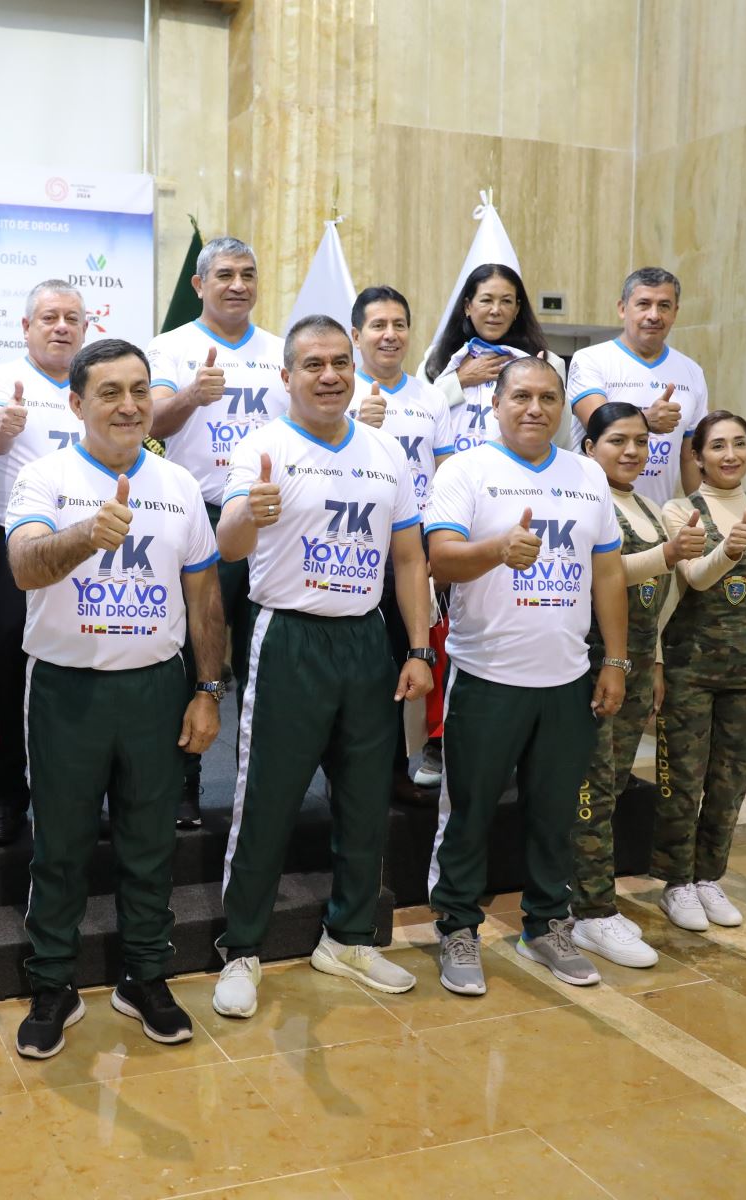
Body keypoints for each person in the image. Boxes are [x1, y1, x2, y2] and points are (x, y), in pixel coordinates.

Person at [5, 339, 227, 1057]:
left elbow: (204, 600)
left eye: (139, 389)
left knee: (149, 841)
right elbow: (24, 568)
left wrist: (207, 691)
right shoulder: (43, 478)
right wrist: (84, 535)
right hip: (67, 687)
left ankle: (146, 975)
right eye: (110, 392)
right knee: (62, 845)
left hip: (156, 688)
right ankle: (51, 984)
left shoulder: (178, 485)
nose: (129, 405)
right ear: (76, 403)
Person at [211, 315, 430, 1018]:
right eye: (313, 364)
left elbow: (407, 558)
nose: (330, 374)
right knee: (267, 802)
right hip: (288, 638)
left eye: (340, 361)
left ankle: (348, 936)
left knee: (366, 801)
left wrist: (420, 649)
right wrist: (253, 510)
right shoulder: (263, 445)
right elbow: (227, 542)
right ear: (286, 377)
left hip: (366, 640)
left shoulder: (385, 451)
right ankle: (241, 948)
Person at [424, 356, 628, 995]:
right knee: (470, 813)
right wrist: (495, 551)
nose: (534, 408)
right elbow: (440, 560)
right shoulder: (466, 470)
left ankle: (546, 925)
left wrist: (615, 661)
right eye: (520, 397)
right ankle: (457, 926)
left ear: (564, 407)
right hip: (487, 678)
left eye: (547, 397)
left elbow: (608, 572)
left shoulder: (586, 475)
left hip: (567, 680)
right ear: (496, 403)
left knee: (554, 814)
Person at [147, 236, 288, 828]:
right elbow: (148, 420)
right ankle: (183, 783)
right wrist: (190, 396)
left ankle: (259, 782)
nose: (238, 284)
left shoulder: (283, 350)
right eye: (225, 274)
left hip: (270, 520)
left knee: (267, 651)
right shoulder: (169, 348)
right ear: (200, 285)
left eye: (248, 274)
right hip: (194, 514)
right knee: (191, 651)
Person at [568, 402, 706, 968]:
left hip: (634, 666)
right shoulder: (583, 500)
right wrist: (666, 555)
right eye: (616, 440)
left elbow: (658, 593)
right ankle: (590, 912)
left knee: (617, 783)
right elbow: (600, 574)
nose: (631, 452)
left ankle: (591, 902)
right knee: (591, 788)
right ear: (588, 448)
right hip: (595, 662)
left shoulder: (648, 506)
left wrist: (651, 664)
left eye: (641, 443)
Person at [653, 411, 746, 931]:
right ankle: (676, 883)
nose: (730, 454)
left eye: (740, 443)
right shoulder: (678, 510)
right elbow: (692, 578)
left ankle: (709, 877)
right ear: (697, 456)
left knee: (730, 781)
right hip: (690, 666)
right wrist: (727, 549)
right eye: (717, 446)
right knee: (683, 779)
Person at [0, 281, 89, 845]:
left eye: (71, 317)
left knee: (86, 668)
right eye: (48, 317)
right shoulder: (2, 379)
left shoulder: (95, 381)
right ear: (26, 327)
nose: (61, 326)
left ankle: (80, 796)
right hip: (11, 550)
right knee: (10, 674)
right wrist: (4, 425)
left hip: (87, 551)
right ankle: (9, 799)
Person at [350, 285, 453, 800]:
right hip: (354, 549)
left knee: (409, 658)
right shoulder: (338, 392)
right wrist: (356, 426)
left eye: (399, 325)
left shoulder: (431, 397)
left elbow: (445, 475)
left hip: (413, 550)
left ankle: (397, 765)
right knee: (368, 663)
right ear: (356, 335)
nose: (390, 335)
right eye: (377, 325)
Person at [565, 267, 706, 503]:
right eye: (643, 304)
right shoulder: (590, 359)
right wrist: (647, 421)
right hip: (594, 509)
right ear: (622, 308)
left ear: (675, 312)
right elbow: (598, 422)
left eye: (664, 306)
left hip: (656, 516)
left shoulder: (691, 371)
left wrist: (703, 516)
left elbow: (689, 457)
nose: (654, 315)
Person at [421, 264, 572, 461]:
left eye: (506, 301)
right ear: (468, 306)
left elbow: (560, 436)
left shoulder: (548, 361)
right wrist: (459, 380)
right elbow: (420, 417)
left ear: (517, 308)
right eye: (486, 300)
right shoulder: (437, 358)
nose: (495, 310)